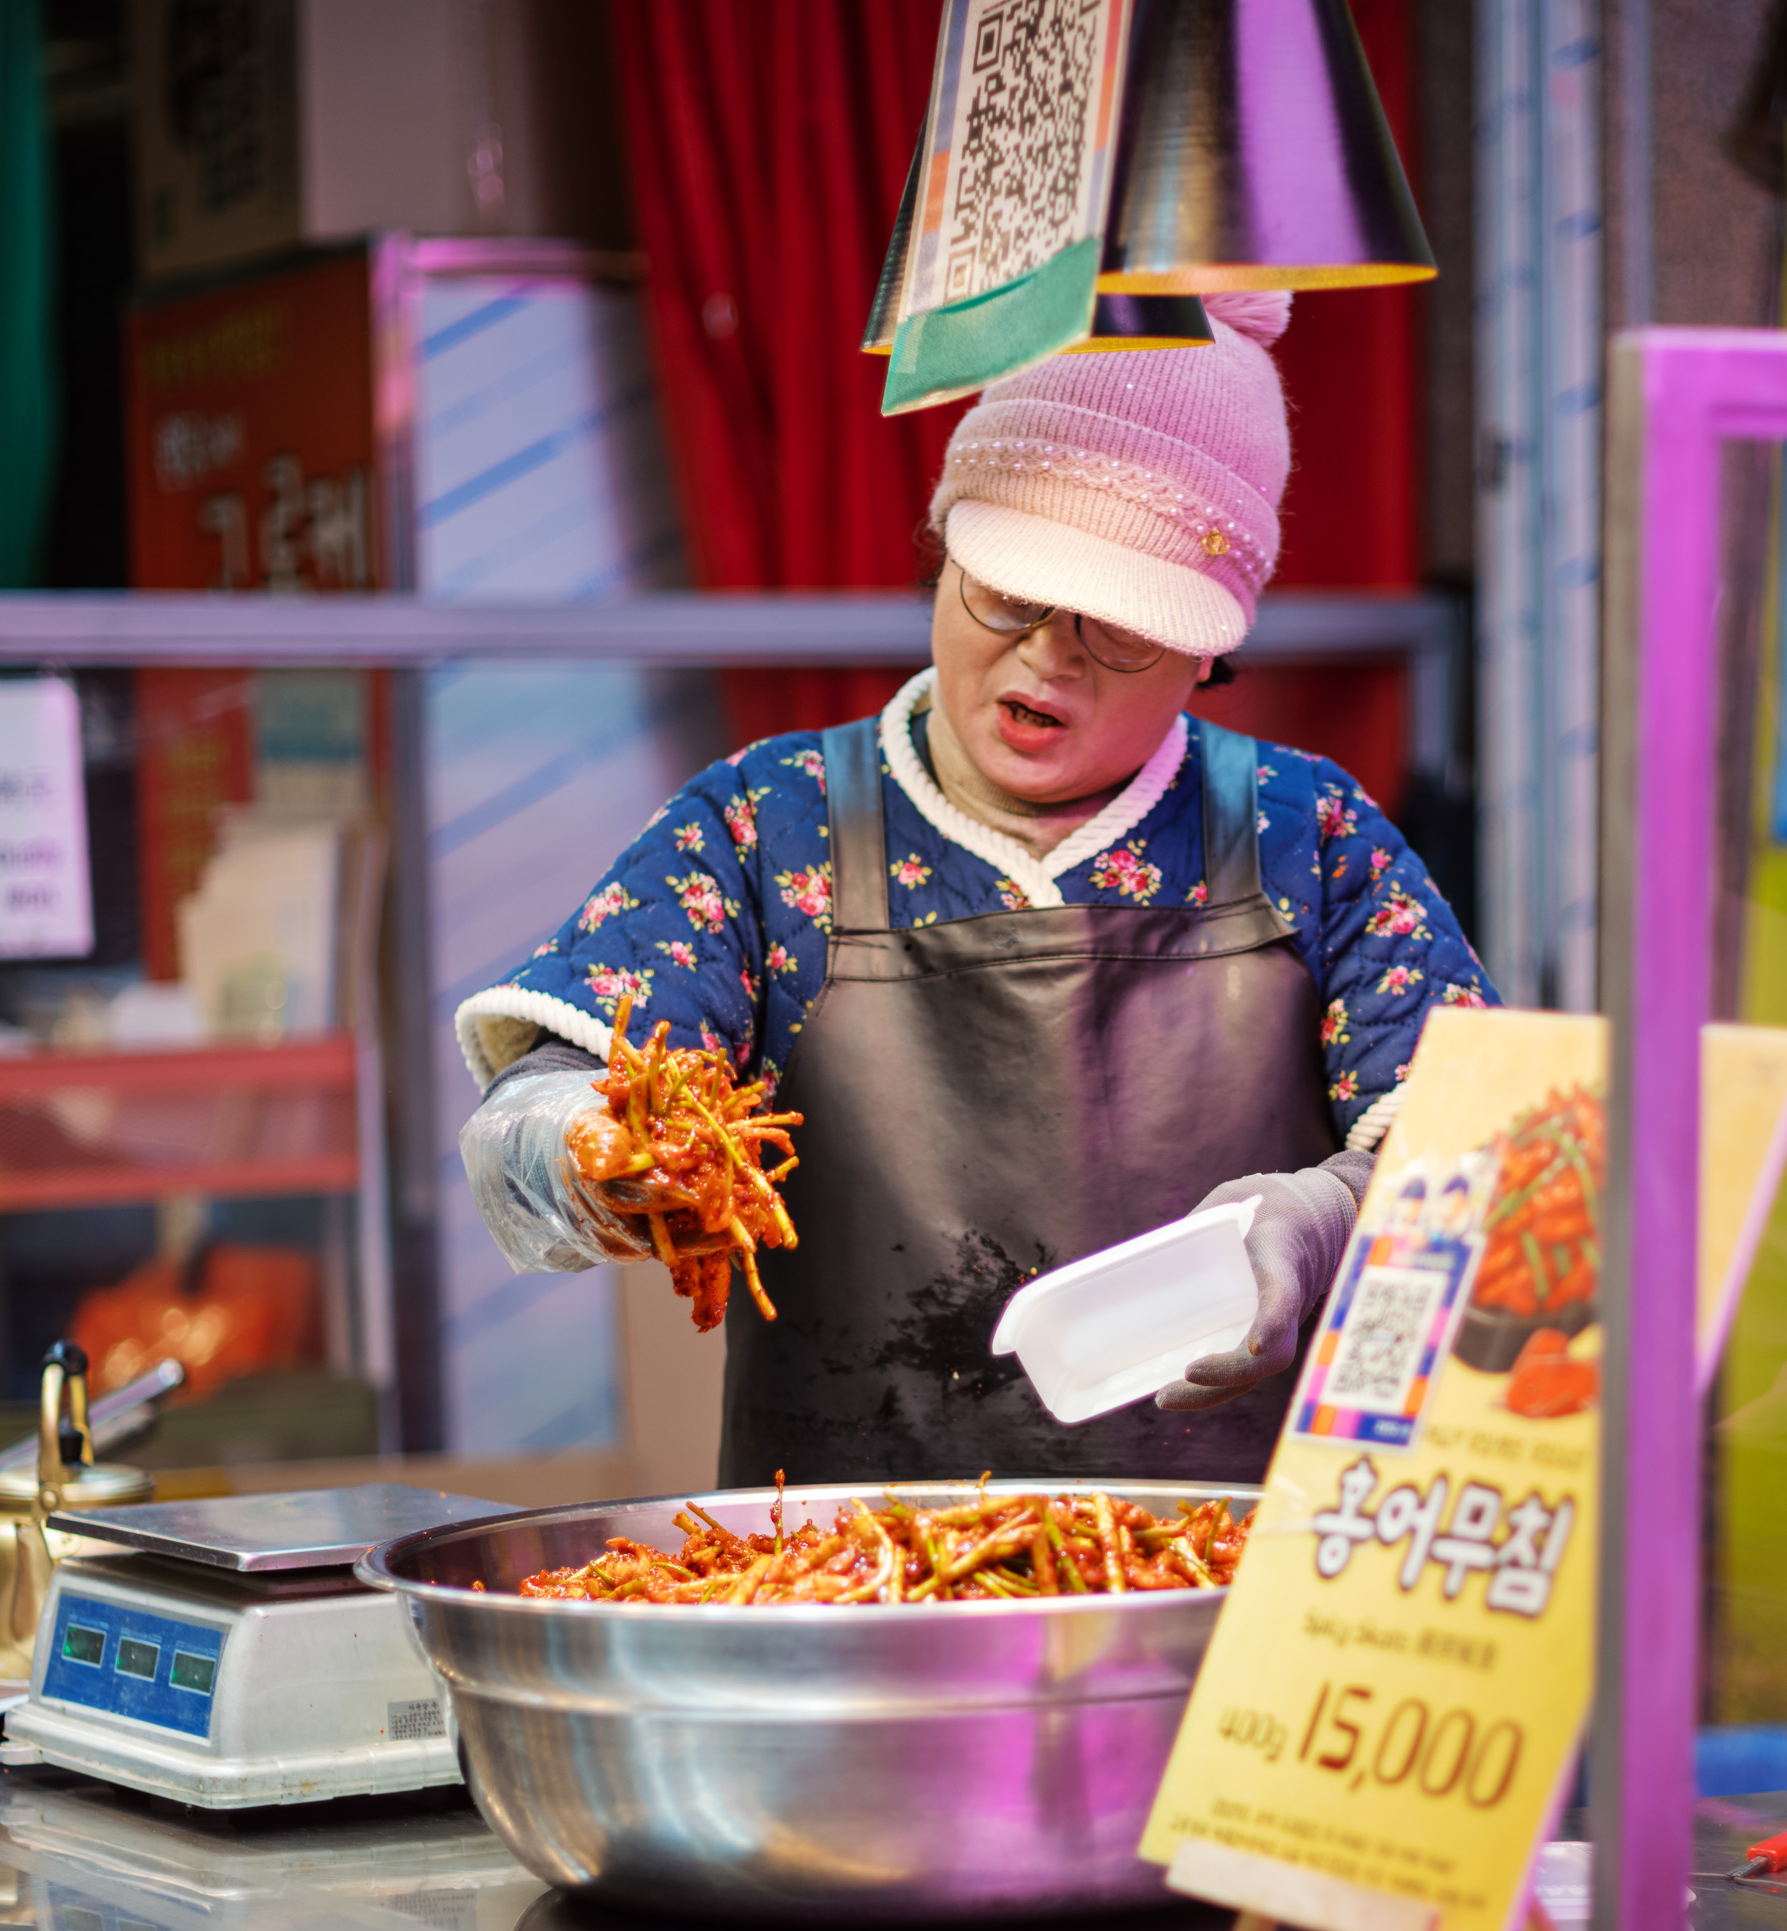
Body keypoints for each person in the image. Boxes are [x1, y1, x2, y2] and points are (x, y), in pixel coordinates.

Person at [456, 293, 1492, 1484]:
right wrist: (579, 1144)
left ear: (1210, 653)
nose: (1048, 654)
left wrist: (1325, 1223)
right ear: (943, 551)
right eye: (1005, 593)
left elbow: (1469, 1165)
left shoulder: (1306, 835)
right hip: (838, 1597)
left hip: (1218, 1595)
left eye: (1119, 631)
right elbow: (541, 1101)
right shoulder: (764, 827)